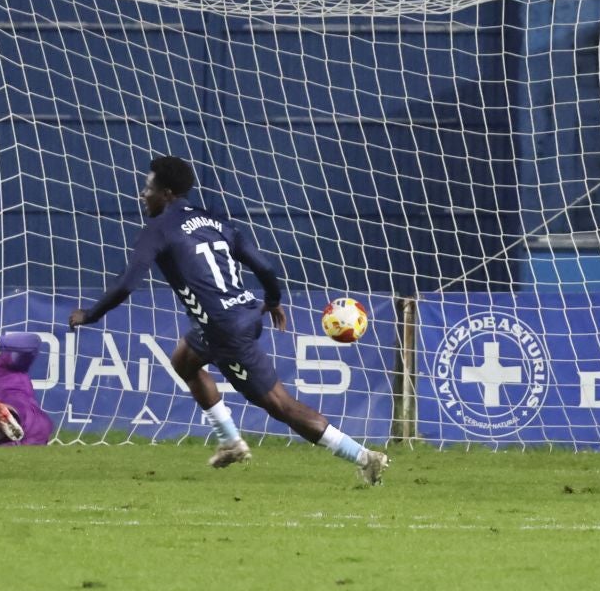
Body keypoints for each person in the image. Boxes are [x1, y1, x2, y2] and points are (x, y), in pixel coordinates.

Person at [67, 156, 388, 483]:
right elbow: (263, 267)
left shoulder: (159, 229)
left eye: (147, 188)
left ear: (165, 193)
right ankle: (230, 441)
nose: (141, 194)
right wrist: (273, 300)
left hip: (225, 330)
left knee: (280, 405)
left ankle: (363, 457)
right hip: (241, 312)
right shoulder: (214, 221)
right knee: (184, 360)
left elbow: (126, 283)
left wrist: (90, 314)